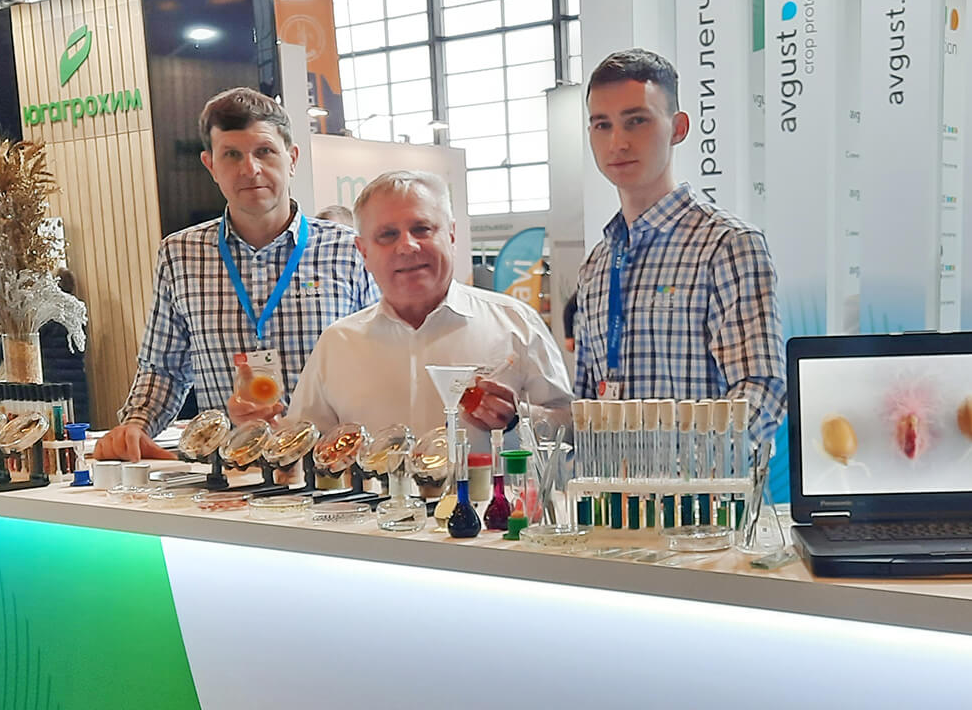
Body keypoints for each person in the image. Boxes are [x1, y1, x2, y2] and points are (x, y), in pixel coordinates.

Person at [93, 87, 377, 460]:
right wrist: (136, 424)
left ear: (291, 158)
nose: (250, 169)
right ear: (210, 165)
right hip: (226, 472)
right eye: (231, 155)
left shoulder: (349, 250)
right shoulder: (180, 255)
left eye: (264, 151)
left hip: (329, 470)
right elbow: (164, 369)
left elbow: (378, 362)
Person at [572, 48, 785, 443]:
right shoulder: (596, 266)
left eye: (636, 121)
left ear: (678, 128)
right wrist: (521, 417)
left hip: (702, 482)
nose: (617, 142)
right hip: (611, 483)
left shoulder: (727, 245)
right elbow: (586, 406)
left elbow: (761, 390)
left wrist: (691, 470)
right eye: (602, 125)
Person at [286, 170, 572, 448]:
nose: (407, 246)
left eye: (421, 229)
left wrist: (520, 418)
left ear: (451, 235)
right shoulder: (337, 344)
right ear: (363, 252)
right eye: (387, 235)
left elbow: (570, 429)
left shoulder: (515, 324)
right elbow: (302, 444)